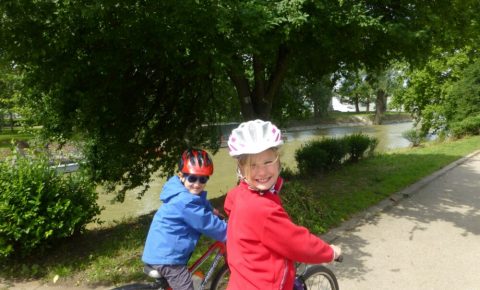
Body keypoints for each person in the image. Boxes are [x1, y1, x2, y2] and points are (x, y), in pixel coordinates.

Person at [224, 119, 342, 290]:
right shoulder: (261, 208)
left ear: (278, 161)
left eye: (267, 162)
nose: (262, 172)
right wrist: (330, 252)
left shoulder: (239, 195)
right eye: (253, 165)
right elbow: (297, 243)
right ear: (241, 170)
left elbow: (231, 208)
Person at [142, 149, 227, 290]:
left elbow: (200, 201)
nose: (197, 184)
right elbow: (207, 223)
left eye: (203, 179)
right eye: (193, 178)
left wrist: (212, 210)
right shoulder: (184, 201)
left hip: (163, 251)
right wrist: (230, 232)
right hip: (167, 259)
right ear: (181, 176)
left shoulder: (181, 191)